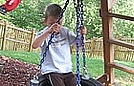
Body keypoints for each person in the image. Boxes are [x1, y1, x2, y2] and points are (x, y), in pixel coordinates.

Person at [32, 3, 86, 86]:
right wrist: (49, 32)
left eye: (59, 24)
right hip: (51, 70)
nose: (56, 27)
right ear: (45, 21)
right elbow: (35, 45)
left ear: (62, 21)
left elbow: (79, 44)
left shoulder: (65, 32)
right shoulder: (44, 33)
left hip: (67, 70)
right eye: (52, 24)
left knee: (74, 83)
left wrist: (82, 35)